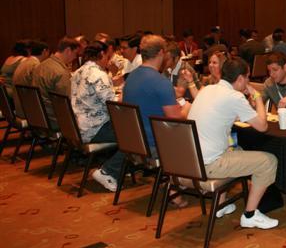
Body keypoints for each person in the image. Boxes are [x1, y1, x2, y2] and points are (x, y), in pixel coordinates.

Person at [92, 35, 191, 198]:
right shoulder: (161, 82)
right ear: (161, 53)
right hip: (154, 144)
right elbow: (175, 120)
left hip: (133, 142)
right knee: (195, 138)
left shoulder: (132, 77)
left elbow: (123, 102)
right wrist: (187, 108)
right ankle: (180, 186)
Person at [188, 58, 279, 229]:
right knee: (269, 161)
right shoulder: (234, 96)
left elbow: (227, 114)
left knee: (237, 149)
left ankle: (220, 205)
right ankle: (250, 215)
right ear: (240, 79)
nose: (248, 81)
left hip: (190, 161)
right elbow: (262, 126)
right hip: (208, 165)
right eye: (247, 77)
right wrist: (258, 98)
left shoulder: (207, 89)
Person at [70, 42, 122, 190]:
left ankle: (114, 168)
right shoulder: (99, 74)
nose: (109, 61)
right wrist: (124, 96)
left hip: (78, 126)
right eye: (108, 57)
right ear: (101, 55)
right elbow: (112, 105)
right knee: (135, 137)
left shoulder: (78, 71)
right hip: (94, 129)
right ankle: (108, 171)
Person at [32, 37, 81, 128]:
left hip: (39, 115)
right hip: (54, 119)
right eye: (75, 54)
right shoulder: (61, 72)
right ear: (68, 50)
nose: (75, 57)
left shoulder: (41, 65)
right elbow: (67, 102)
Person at [13, 40, 50, 117]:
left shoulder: (25, 62)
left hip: (19, 105)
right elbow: (38, 89)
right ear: (44, 51)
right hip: (27, 110)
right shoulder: (35, 65)